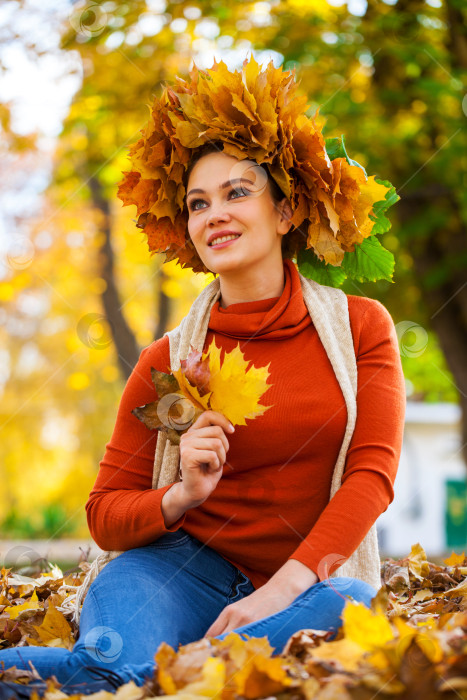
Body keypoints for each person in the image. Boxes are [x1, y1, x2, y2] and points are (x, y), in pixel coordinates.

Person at [0, 56, 405, 695]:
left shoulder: (360, 328)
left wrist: (280, 590)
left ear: (284, 212)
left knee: (348, 606)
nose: (215, 212)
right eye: (198, 202)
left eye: (238, 192)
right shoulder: (165, 362)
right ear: (187, 228)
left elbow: (372, 477)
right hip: (173, 572)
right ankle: (163, 667)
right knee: (112, 666)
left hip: (306, 587)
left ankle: (175, 669)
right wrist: (181, 495)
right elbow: (105, 515)